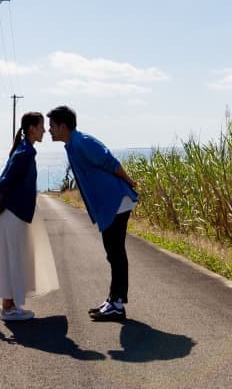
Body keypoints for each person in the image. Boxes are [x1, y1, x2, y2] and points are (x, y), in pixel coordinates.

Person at [47, 104, 137, 321]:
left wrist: (129, 181)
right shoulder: (73, 144)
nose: (49, 130)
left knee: (116, 253)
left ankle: (117, 304)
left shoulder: (82, 142)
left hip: (116, 201)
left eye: (52, 126)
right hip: (109, 205)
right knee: (112, 252)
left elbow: (110, 161)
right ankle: (113, 299)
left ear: (63, 126)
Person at [0, 111, 58, 322]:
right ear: (31, 129)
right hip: (13, 213)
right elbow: (5, 181)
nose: (44, 130)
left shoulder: (25, 150)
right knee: (14, 259)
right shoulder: (24, 153)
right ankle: (9, 308)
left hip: (13, 213)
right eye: (41, 126)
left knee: (12, 259)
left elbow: (6, 180)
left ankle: (9, 305)